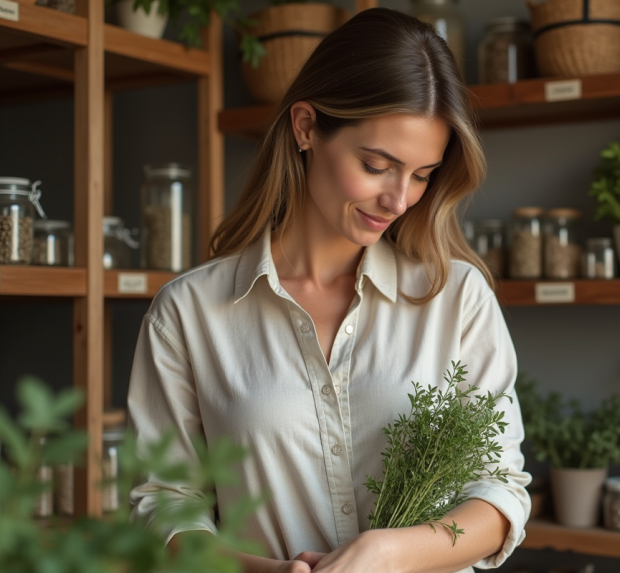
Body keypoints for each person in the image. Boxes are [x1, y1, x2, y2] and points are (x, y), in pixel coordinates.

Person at [127, 7, 530, 573]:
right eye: (376, 165)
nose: (399, 199)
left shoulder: (456, 297)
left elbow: (500, 494)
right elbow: (165, 504)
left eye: (421, 175)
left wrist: (386, 553)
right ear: (306, 127)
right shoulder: (189, 314)